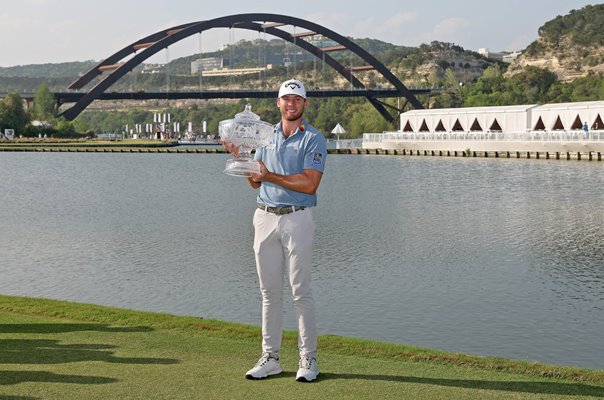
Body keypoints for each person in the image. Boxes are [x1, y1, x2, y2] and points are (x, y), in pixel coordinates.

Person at [223, 79, 327, 382]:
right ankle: (271, 358)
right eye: (286, 99)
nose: (291, 104)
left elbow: (309, 183)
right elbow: (255, 181)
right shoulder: (265, 137)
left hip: (298, 218)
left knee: (300, 292)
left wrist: (272, 176)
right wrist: (239, 158)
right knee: (269, 293)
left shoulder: (313, 139)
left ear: (304, 105)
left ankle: (308, 359)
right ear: (277, 103)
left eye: (297, 99)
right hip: (264, 216)